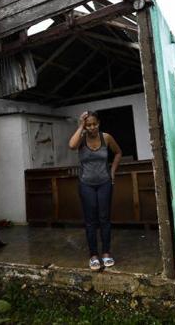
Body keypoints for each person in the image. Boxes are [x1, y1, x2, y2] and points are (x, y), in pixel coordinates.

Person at [69, 110, 122, 270]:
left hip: (104, 183)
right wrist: (80, 126)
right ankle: (93, 255)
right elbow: (71, 146)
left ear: (99, 124)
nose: (92, 127)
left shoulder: (106, 138)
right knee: (91, 220)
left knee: (104, 218)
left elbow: (118, 153)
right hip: (86, 184)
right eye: (89, 124)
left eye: (94, 124)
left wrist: (112, 171)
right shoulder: (81, 139)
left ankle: (106, 253)